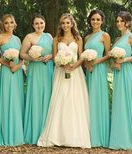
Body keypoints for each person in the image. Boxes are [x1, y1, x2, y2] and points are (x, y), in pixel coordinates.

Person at [37, 13, 91, 148]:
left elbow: (81, 57)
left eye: (68, 23)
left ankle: (75, 137)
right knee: (60, 100)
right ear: (60, 25)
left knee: (74, 101)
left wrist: (73, 66)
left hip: (75, 73)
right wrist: (61, 63)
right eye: (63, 23)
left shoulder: (78, 38)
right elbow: (55, 58)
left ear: (72, 24)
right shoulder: (56, 39)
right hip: (60, 72)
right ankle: (57, 136)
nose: (65, 25)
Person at [108, 11, 132, 149]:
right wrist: (114, 63)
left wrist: (123, 60)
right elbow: (112, 59)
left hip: (127, 71)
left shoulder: (131, 37)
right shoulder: (117, 40)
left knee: (126, 101)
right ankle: (118, 136)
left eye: (121, 21)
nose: (119, 24)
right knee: (118, 102)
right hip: (117, 73)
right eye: (117, 21)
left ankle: (128, 137)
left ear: (127, 22)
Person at [0, 14, 24, 146]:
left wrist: (18, 66)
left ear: (15, 24)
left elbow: (22, 57)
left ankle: (17, 132)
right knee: (7, 99)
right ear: (3, 25)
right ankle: (7, 133)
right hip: (6, 72)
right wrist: (4, 63)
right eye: (6, 23)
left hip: (16, 72)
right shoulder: (0, 37)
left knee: (17, 99)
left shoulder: (17, 39)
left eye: (11, 22)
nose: (9, 25)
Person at [20, 14, 53, 144]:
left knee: (48, 96)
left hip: (48, 69)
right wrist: (32, 57)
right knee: (36, 96)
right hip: (35, 69)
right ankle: (35, 132)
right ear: (33, 25)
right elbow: (22, 53)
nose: (39, 25)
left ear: (44, 23)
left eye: (41, 23)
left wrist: (50, 55)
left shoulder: (49, 36)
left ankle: (48, 132)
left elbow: (55, 51)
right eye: (36, 23)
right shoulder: (29, 37)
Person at [84, 9, 111, 147]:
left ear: (102, 21)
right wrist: (87, 62)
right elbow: (83, 55)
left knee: (98, 99)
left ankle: (100, 135)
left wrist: (96, 61)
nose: (95, 22)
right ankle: (88, 134)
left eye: (98, 20)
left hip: (99, 70)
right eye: (93, 19)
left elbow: (108, 54)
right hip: (89, 71)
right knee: (88, 99)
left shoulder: (104, 35)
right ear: (90, 21)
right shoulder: (87, 38)